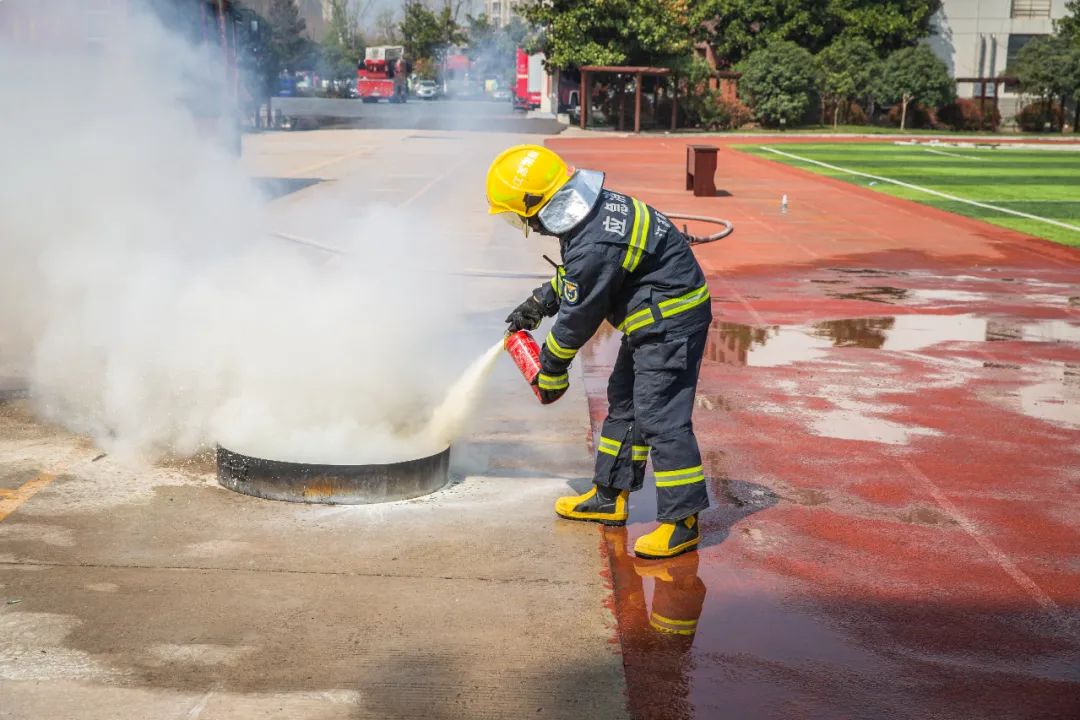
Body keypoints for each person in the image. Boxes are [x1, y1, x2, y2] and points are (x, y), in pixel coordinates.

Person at [486, 144, 712, 559]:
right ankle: (609, 496)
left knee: (662, 418)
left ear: (538, 204)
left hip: (671, 323)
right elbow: (583, 276)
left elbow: (579, 316)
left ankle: (683, 522)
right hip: (654, 317)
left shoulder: (592, 241)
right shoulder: (591, 212)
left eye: (521, 215)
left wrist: (550, 370)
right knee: (624, 403)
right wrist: (540, 303)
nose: (526, 225)